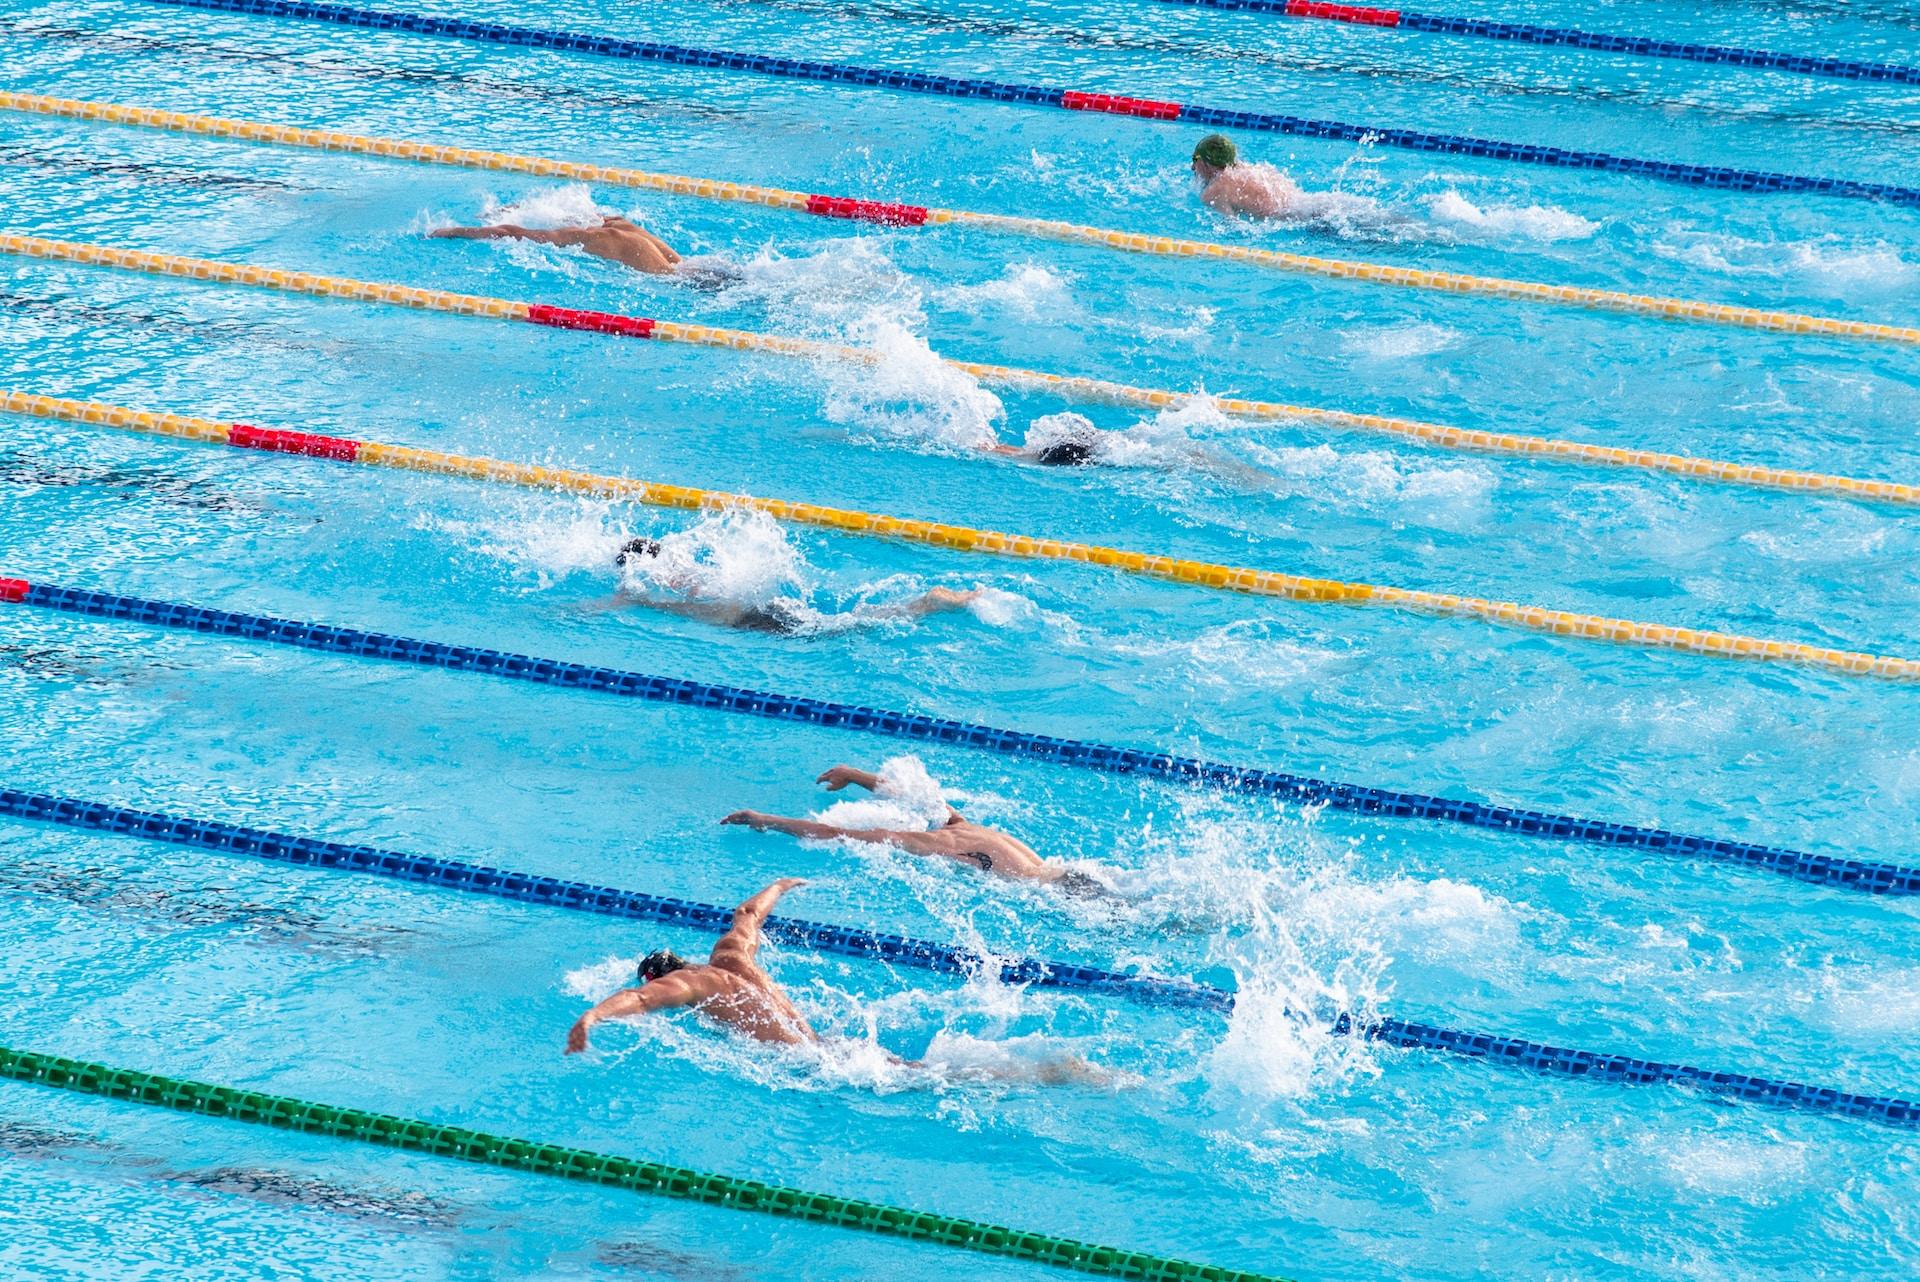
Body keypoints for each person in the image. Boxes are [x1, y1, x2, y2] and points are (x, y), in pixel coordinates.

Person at [565, 877, 1116, 1084]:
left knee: (935, 1078)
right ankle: (1045, 1069)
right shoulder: (729, 956)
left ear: (667, 976)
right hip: (826, 1043)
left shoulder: (692, 986)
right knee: (922, 1068)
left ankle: (1047, 1073)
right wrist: (781, 884)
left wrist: (592, 1015)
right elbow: (746, 915)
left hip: (815, 1063)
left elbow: (641, 999)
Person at [720, 764, 1114, 898]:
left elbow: (833, 833)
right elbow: (915, 794)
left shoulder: (929, 841)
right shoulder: (961, 824)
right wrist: (855, 775)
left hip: (1055, 892)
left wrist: (767, 819)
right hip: (1069, 875)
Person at [615, 538, 982, 634]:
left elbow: (700, 609)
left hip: (752, 618)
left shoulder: (676, 583)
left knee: (843, 627)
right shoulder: (691, 568)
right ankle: (920, 604)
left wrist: (638, 601)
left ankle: (925, 604)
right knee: (842, 621)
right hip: (765, 608)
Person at [1188, 133, 1306, 221]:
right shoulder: (1257, 170)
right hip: (1309, 206)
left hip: (1298, 221)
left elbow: (1232, 228)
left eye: (1195, 159)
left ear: (1206, 162)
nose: (1193, 167)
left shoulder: (1214, 192)